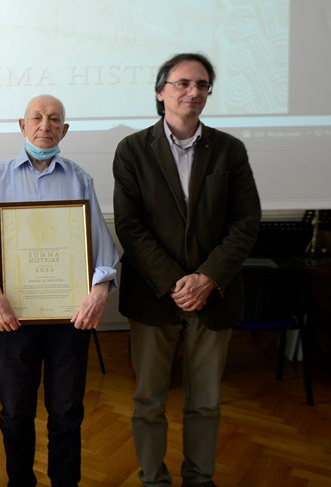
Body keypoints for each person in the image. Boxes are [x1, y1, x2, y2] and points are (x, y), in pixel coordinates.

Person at [112, 53, 261, 487]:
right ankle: (153, 478)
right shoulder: (133, 150)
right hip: (154, 295)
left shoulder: (229, 150)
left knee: (206, 402)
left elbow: (245, 222)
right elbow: (130, 226)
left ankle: (199, 477)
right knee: (148, 400)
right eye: (182, 84)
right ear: (161, 93)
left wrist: (207, 278)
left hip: (215, 294)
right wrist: (177, 282)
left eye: (202, 85)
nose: (193, 92)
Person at [0, 94, 119, 487]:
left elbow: (102, 251)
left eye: (54, 119)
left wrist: (100, 292)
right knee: (15, 413)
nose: (45, 125)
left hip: (69, 317)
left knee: (67, 413)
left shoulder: (80, 179)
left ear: (65, 130)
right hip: (14, 313)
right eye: (36, 117)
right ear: (22, 125)